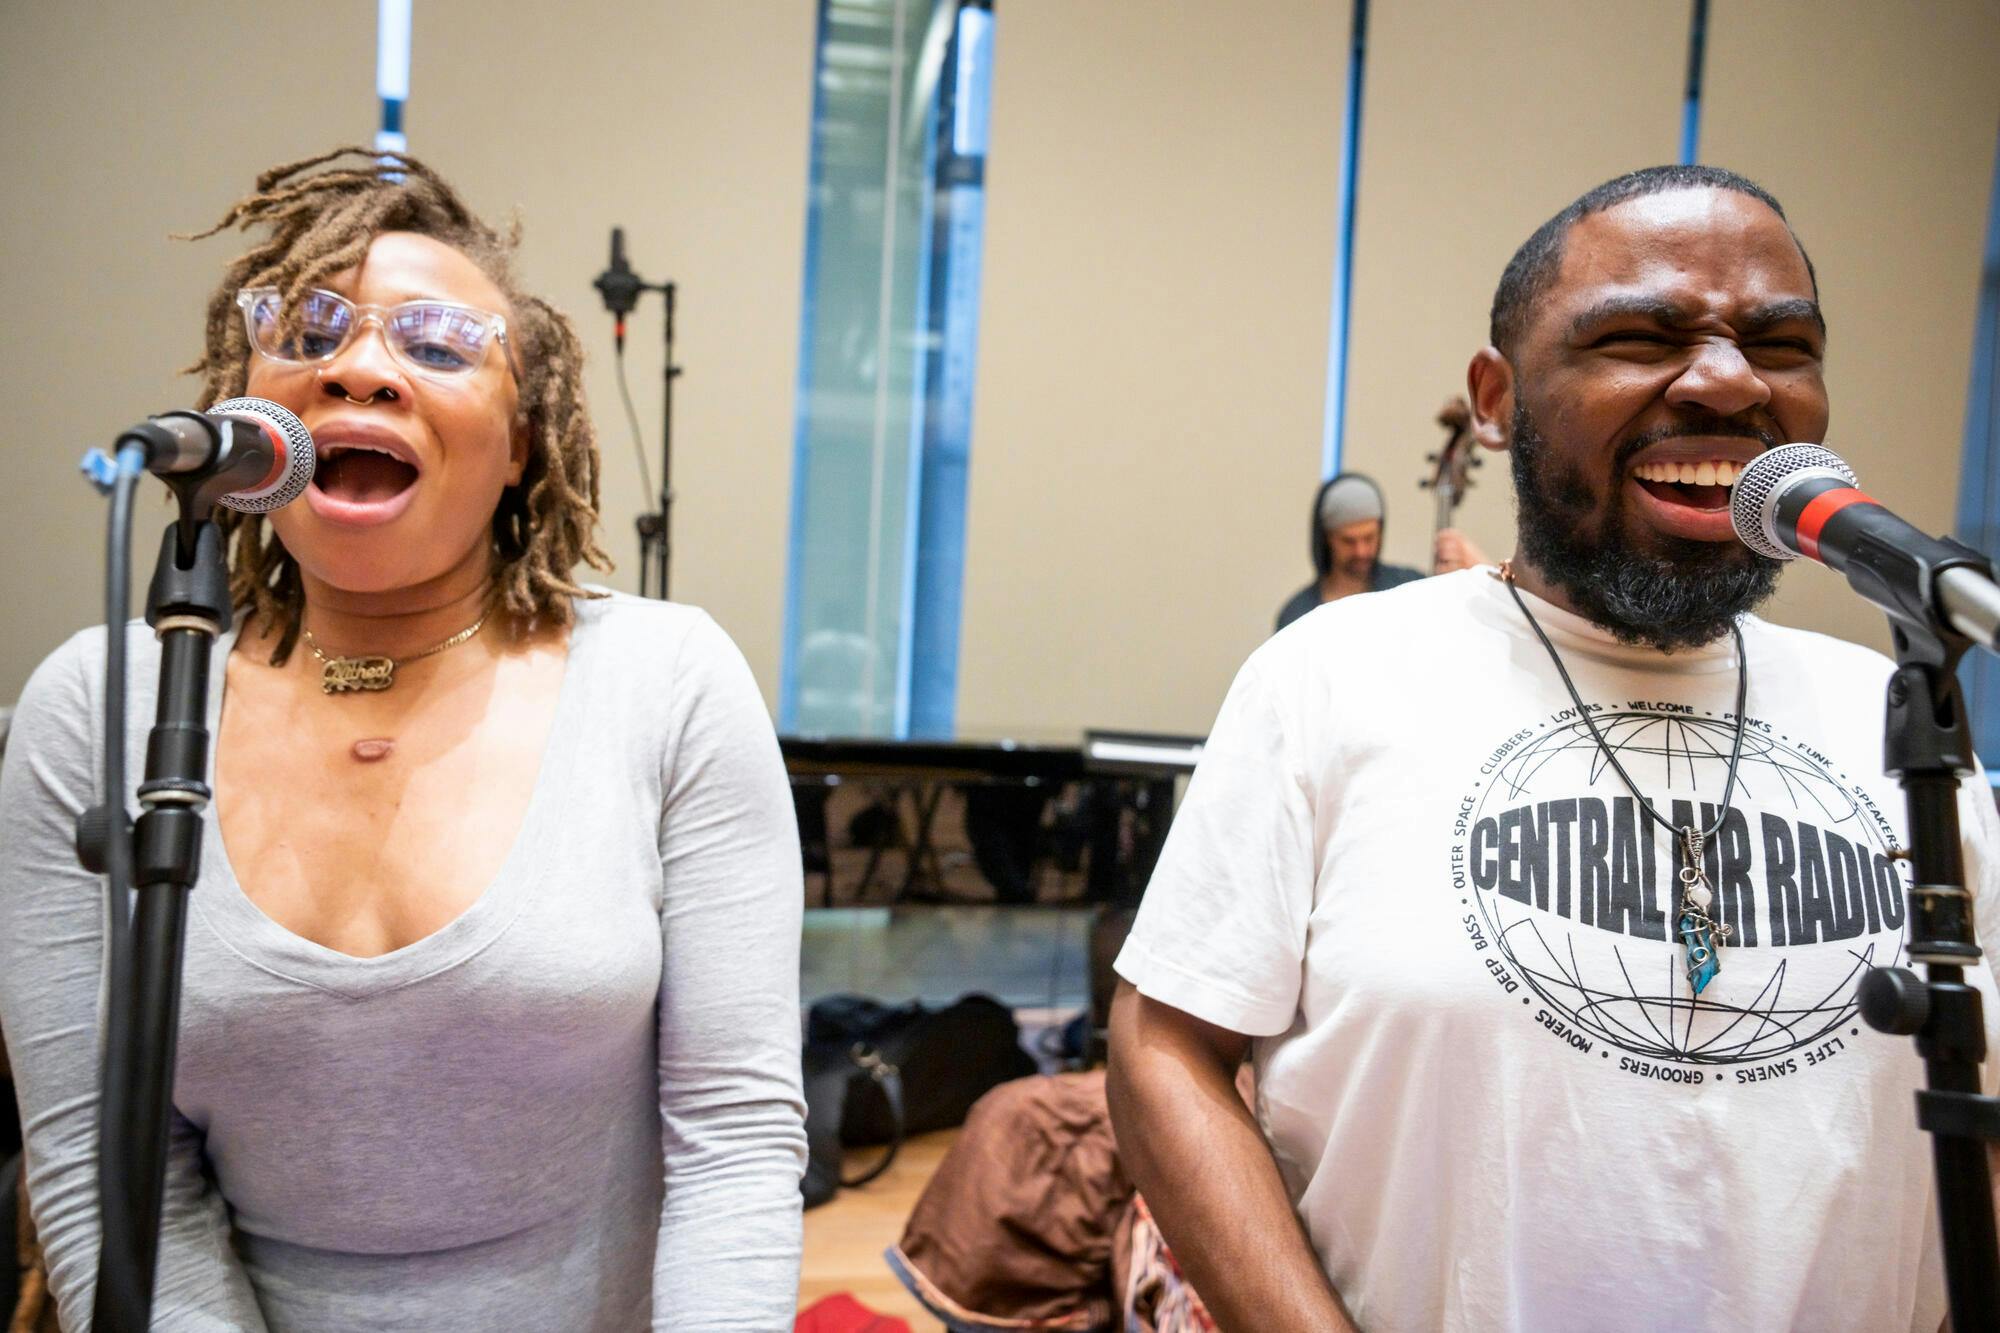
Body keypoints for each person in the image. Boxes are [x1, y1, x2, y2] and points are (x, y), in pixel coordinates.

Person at [1108, 164, 2000, 1331]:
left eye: (1781, 346)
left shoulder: (1898, 719)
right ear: (1495, 397)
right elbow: (1166, 1043)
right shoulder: (1330, 676)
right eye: (1641, 334)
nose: (1730, 381)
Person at [0, 149, 807, 1330]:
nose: (362, 368)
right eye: (312, 333)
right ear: (242, 413)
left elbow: (733, 1145)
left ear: (522, 443)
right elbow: (101, 1170)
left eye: (435, 345)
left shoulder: (666, 683)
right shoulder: (98, 705)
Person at [1273, 473, 1486, 631]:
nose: (1362, 550)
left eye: (1369, 538)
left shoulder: (1410, 588)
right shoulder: (1297, 614)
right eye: (1349, 541)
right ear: (1327, 538)